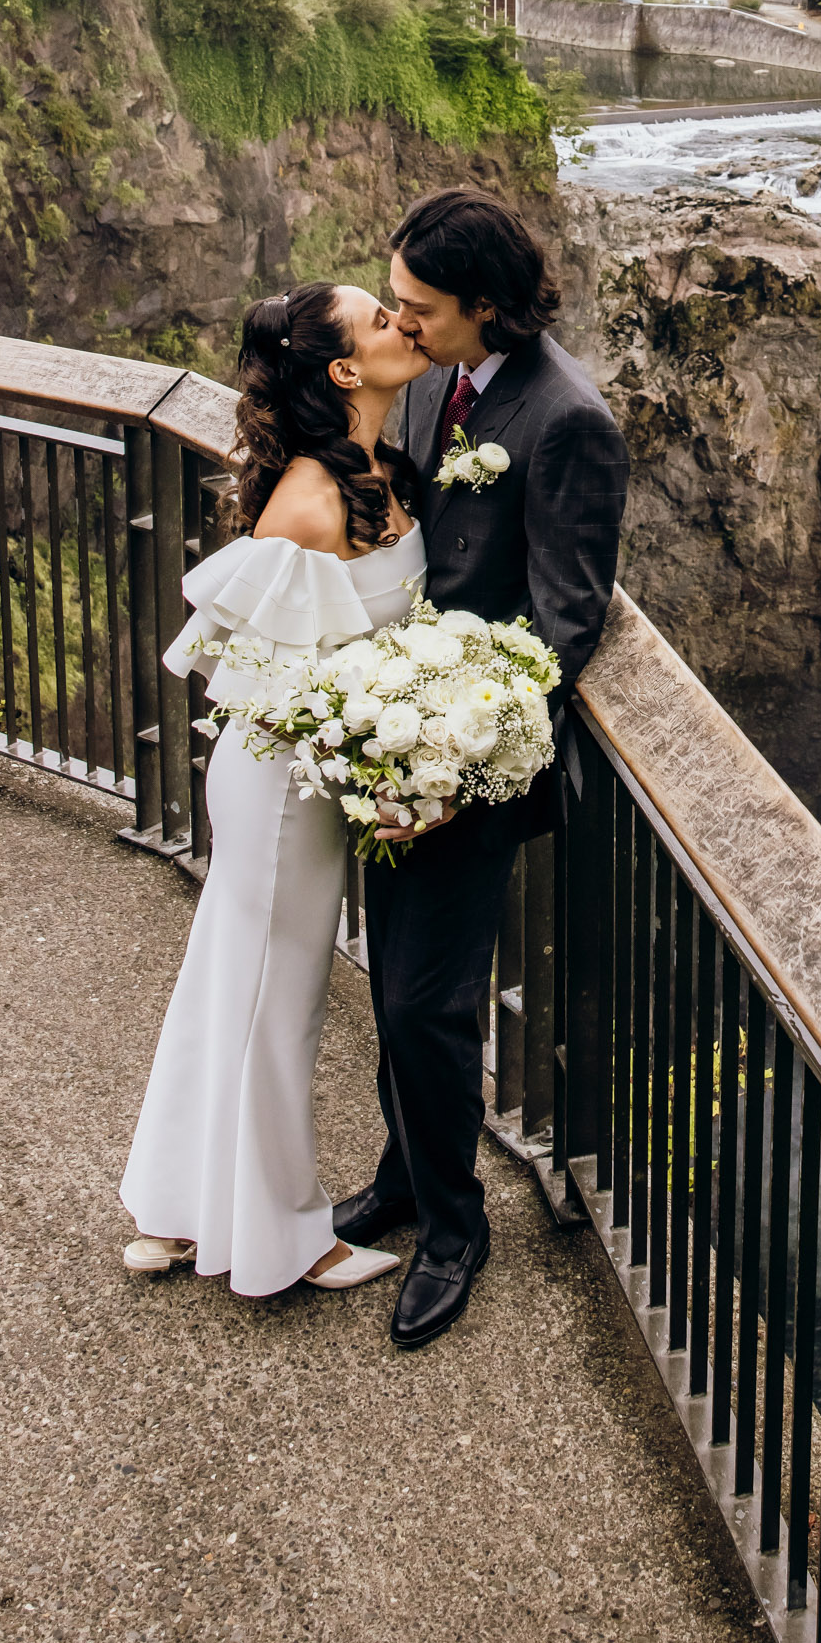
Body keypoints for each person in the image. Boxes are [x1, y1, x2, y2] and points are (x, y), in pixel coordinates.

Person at [331, 187, 630, 1350]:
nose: (398, 326)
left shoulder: (565, 420)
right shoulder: (441, 386)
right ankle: (401, 1178)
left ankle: (456, 1232)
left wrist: (450, 760)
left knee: (428, 1003)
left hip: (473, 762)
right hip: (395, 732)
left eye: (417, 308)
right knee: (393, 986)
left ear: (485, 309)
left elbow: (564, 620)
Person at [118, 282, 430, 1299]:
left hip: (306, 778)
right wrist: (389, 764)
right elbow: (281, 689)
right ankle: (285, 1235)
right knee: (273, 1003)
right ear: (344, 371)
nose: (401, 322)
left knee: (229, 980)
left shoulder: (376, 465)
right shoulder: (308, 505)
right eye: (379, 319)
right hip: (282, 786)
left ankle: (175, 1207)